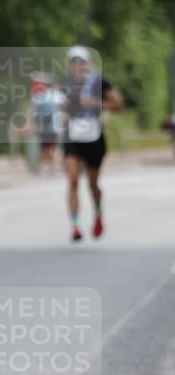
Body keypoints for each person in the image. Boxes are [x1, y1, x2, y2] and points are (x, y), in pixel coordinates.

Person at [61, 45, 122, 242]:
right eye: (73, 62)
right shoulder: (67, 84)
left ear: (87, 63)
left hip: (94, 137)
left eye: (81, 61)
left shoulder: (100, 82)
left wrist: (95, 103)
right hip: (72, 135)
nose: (77, 65)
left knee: (92, 184)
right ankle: (75, 226)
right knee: (73, 180)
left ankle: (97, 215)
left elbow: (118, 104)